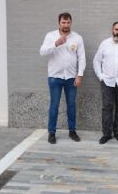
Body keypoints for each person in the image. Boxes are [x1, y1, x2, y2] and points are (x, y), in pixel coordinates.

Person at [39, 12, 86, 144]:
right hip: (55, 77)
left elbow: (81, 57)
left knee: (71, 105)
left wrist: (80, 75)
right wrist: (56, 44)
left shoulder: (77, 38)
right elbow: (42, 52)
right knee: (54, 105)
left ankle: (72, 131)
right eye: (63, 22)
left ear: (71, 23)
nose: (66, 25)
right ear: (59, 23)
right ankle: (52, 132)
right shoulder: (51, 36)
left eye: (68, 22)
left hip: (71, 77)